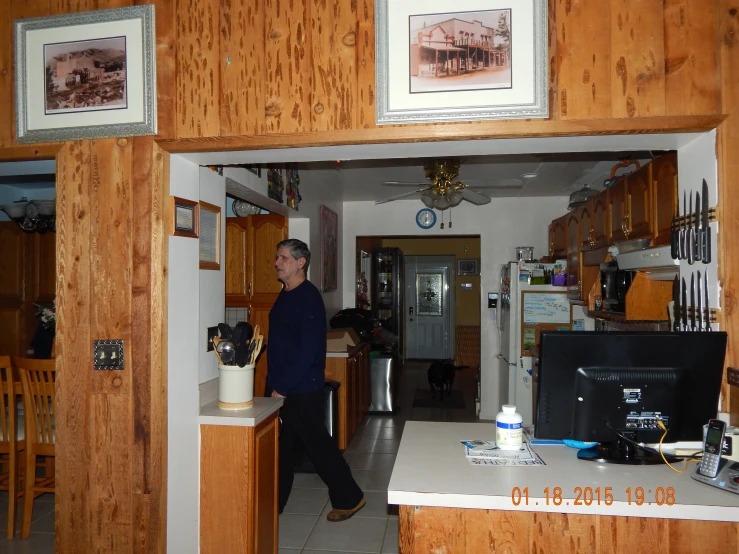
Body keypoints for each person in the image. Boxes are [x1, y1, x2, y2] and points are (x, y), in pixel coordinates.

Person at [266, 238, 366, 522]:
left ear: (301, 263)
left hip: (299, 388)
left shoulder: (308, 297)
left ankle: (351, 498)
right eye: (278, 257)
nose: (277, 263)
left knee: (318, 447)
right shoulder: (285, 292)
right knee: (281, 448)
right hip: (282, 384)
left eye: (284, 258)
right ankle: (275, 503)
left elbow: (308, 350)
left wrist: (282, 387)